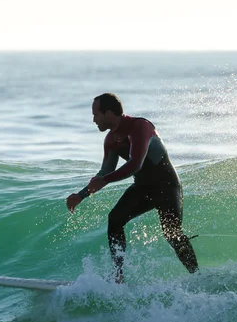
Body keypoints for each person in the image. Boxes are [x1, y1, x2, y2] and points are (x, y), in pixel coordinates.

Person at [66, 93, 198, 283]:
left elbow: (135, 164)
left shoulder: (140, 127)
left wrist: (105, 180)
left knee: (172, 234)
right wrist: (81, 195)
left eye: (96, 114)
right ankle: (118, 276)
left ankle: (197, 276)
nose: (93, 119)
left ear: (109, 113)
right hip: (143, 188)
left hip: (166, 186)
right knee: (115, 219)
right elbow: (106, 171)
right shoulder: (111, 140)